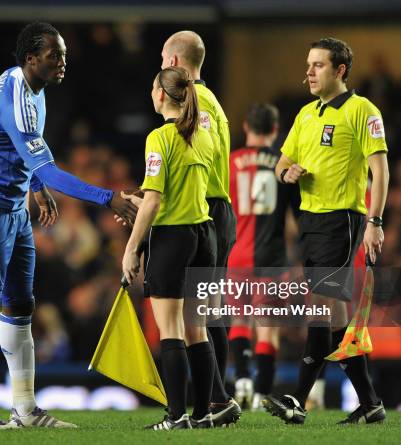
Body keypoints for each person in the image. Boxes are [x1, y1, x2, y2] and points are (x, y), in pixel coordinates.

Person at [0, 22, 137, 429]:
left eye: (65, 54)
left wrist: (34, 187)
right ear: (31, 59)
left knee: (20, 307)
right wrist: (110, 198)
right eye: (56, 55)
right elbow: (50, 169)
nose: (63, 62)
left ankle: (24, 409)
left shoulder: (37, 88)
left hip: (14, 209)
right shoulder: (16, 95)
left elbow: (26, 150)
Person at [263, 37, 389, 425]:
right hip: (310, 222)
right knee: (332, 321)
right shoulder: (305, 115)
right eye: (308, 64)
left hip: (343, 221)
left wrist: (375, 221)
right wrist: (288, 172)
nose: (309, 72)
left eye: (318, 65)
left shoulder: (362, 110)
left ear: (340, 71)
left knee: (320, 311)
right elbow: (281, 163)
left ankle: (297, 400)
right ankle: (370, 404)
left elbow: (380, 170)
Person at [122, 66, 217, 430]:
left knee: (170, 330)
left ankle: (176, 416)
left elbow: (156, 201)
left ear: (161, 94)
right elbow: (178, 188)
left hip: (172, 239)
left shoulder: (159, 138)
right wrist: (137, 196)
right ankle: (203, 413)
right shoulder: (203, 135)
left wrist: (132, 248)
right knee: (198, 329)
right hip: (203, 237)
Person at [160, 30, 240, 427]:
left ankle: (217, 398)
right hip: (216, 208)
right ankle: (215, 399)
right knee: (206, 311)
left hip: (206, 208)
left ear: (175, 62)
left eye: (162, 60)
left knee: (204, 312)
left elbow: (196, 160)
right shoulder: (211, 100)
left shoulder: (197, 102)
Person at [227, 103, 300, 410]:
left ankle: (242, 377)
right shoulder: (283, 165)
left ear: (246, 127)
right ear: (274, 130)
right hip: (272, 259)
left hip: (236, 256)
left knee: (239, 318)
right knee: (268, 328)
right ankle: (262, 394)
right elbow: (296, 224)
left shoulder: (228, 162)